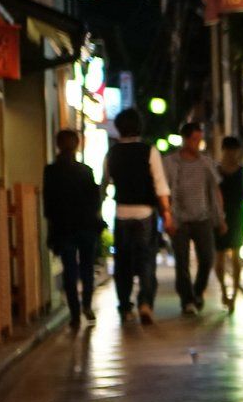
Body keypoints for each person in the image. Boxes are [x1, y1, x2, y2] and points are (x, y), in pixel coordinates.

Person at [103, 107, 173, 324]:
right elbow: (160, 186)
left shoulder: (112, 153)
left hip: (122, 212)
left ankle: (125, 307)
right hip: (145, 213)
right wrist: (167, 214)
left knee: (122, 262)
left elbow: (105, 183)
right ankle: (145, 302)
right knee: (146, 260)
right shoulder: (149, 151)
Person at [163, 121, 224, 315]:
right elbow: (164, 191)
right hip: (179, 218)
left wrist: (220, 218)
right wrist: (167, 217)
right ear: (185, 139)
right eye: (194, 139)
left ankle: (197, 292)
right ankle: (187, 300)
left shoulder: (206, 162)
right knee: (182, 261)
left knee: (207, 258)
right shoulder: (171, 162)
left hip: (202, 217)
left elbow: (215, 190)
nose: (198, 143)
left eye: (200, 139)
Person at [42, 129, 102, 323]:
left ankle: (74, 313)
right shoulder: (85, 171)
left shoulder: (50, 171)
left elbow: (48, 203)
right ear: (77, 145)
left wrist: (52, 228)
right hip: (86, 226)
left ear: (57, 145)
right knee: (86, 268)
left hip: (63, 227)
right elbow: (95, 200)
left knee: (69, 269)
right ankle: (87, 306)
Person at [215, 135, 243, 310]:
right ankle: (224, 291)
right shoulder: (215, 171)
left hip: (237, 217)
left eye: (235, 151)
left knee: (236, 257)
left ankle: (234, 295)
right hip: (220, 217)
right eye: (230, 150)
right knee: (220, 259)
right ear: (223, 150)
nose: (232, 154)